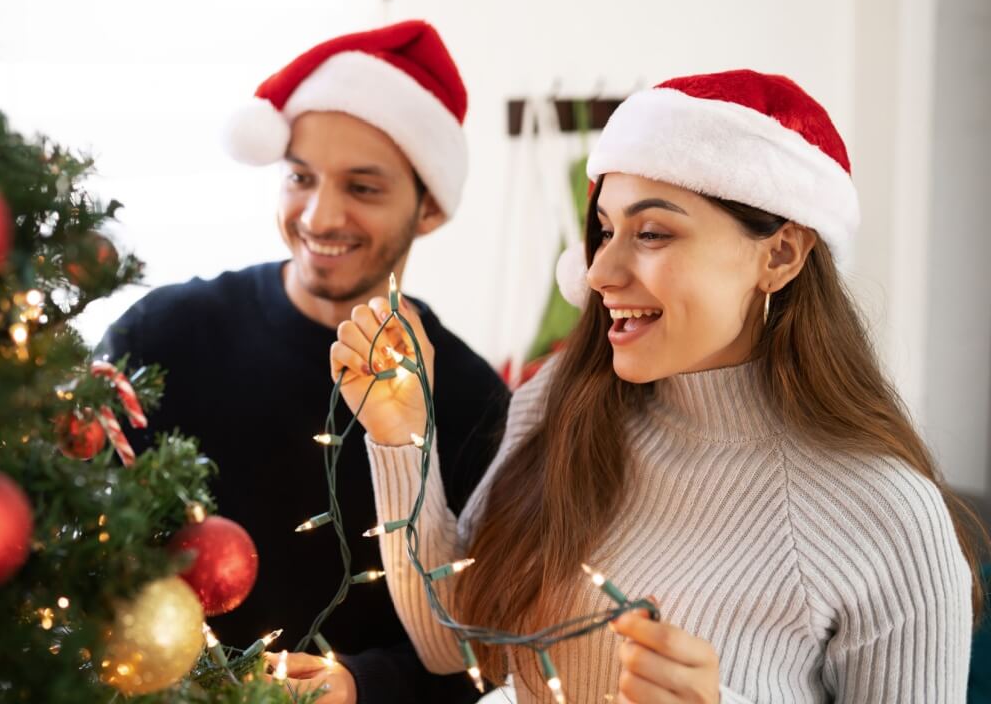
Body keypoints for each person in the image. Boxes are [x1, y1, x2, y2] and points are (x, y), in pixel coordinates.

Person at [332, 70, 984, 703]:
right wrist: (400, 437)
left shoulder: (889, 517)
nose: (600, 272)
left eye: (651, 233)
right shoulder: (562, 398)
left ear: (780, 255)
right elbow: (456, 643)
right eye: (604, 231)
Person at [98, 21, 509, 704]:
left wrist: (362, 686)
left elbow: (488, 645)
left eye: (363, 188)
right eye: (300, 177)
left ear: (430, 208)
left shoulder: (473, 403)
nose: (320, 216)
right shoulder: (162, 335)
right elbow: (68, 536)